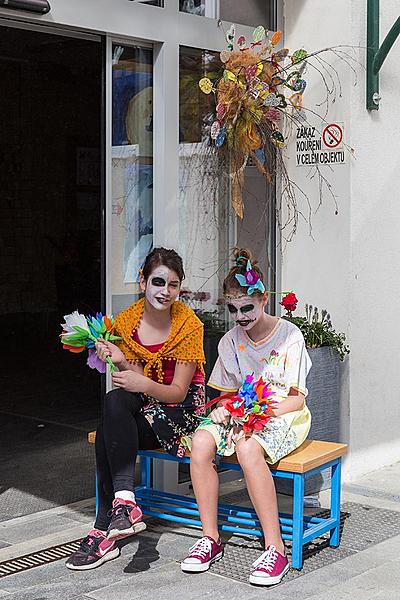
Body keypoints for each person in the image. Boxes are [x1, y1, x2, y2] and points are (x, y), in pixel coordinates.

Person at [66, 247, 205, 570]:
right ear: (142, 281)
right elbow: (136, 380)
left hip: (181, 413)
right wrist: (121, 360)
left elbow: (178, 392)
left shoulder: (188, 325)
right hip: (146, 408)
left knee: (107, 430)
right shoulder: (128, 322)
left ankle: (103, 530)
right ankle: (124, 504)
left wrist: (141, 385)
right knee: (114, 402)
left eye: (173, 285)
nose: (165, 292)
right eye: (158, 282)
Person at [181, 248, 311, 586]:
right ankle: (210, 538)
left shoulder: (289, 336)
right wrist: (226, 408)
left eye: (247, 308)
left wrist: (254, 418)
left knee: (248, 446)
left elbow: (295, 400)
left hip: (284, 413)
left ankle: (275, 548)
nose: (240, 316)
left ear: (264, 299)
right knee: (200, 441)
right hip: (242, 412)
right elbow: (225, 393)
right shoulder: (229, 341)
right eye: (233, 309)